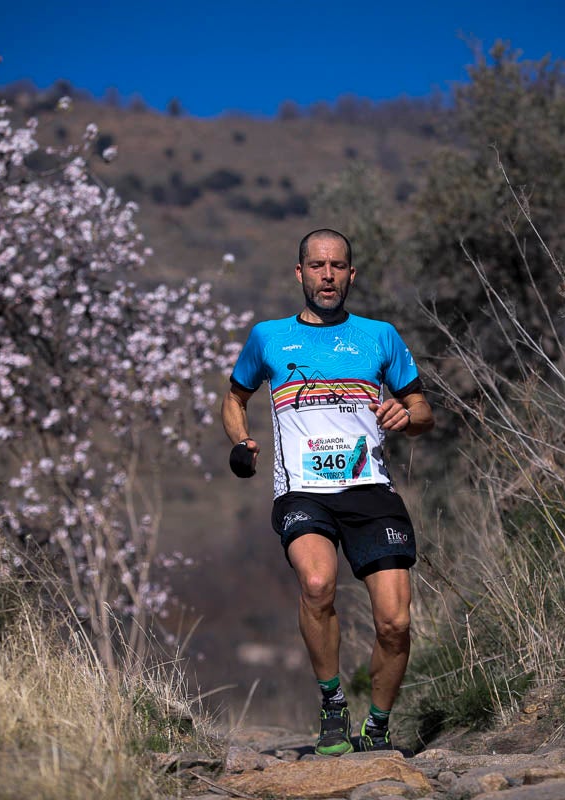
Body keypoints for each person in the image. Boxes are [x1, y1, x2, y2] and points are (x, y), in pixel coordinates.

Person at [222, 228, 434, 755]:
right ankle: (333, 702)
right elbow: (234, 397)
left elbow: (422, 410)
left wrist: (406, 415)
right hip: (303, 492)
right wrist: (242, 441)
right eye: (317, 266)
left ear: (351, 275)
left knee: (395, 622)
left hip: (370, 489)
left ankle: (377, 725)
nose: (327, 275)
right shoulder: (268, 338)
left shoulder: (379, 336)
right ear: (300, 273)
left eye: (337, 266)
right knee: (317, 584)